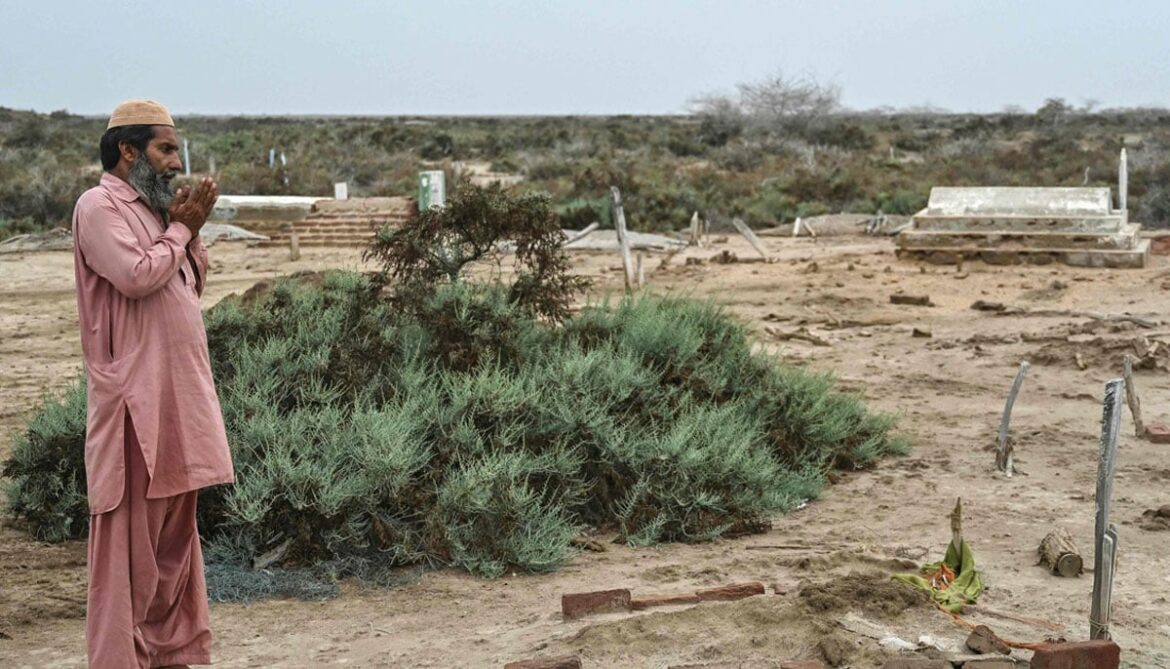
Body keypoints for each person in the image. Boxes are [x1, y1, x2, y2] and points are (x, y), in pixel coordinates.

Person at [72, 99, 234, 668]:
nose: (175, 161)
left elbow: (189, 284)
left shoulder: (159, 211)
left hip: (180, 404)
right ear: (128, 150)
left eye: (176, 149)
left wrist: (184, 230)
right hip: (134, 410)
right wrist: (183, 228)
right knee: (127, 559)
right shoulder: (99, 207)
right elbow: (137, 278)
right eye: (166, 149)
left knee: (173, 553)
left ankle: (168, 658)